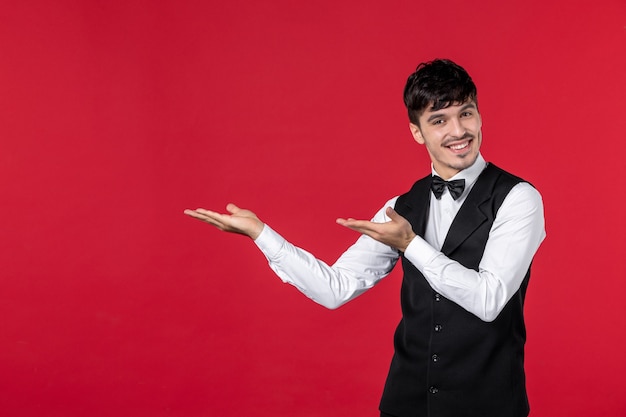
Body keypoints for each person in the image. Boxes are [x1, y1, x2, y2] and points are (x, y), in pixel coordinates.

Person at [184, 59, 546, 417]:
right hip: (405, 404)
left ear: (479, 116)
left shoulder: (518, 198)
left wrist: (410, 245)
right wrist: (261, 234)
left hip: (488, 406)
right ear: (417, 132)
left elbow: (489, 299)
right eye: (439, 120)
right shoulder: (401, 206)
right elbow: (335, 287)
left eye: (466, 114)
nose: (458, 131)